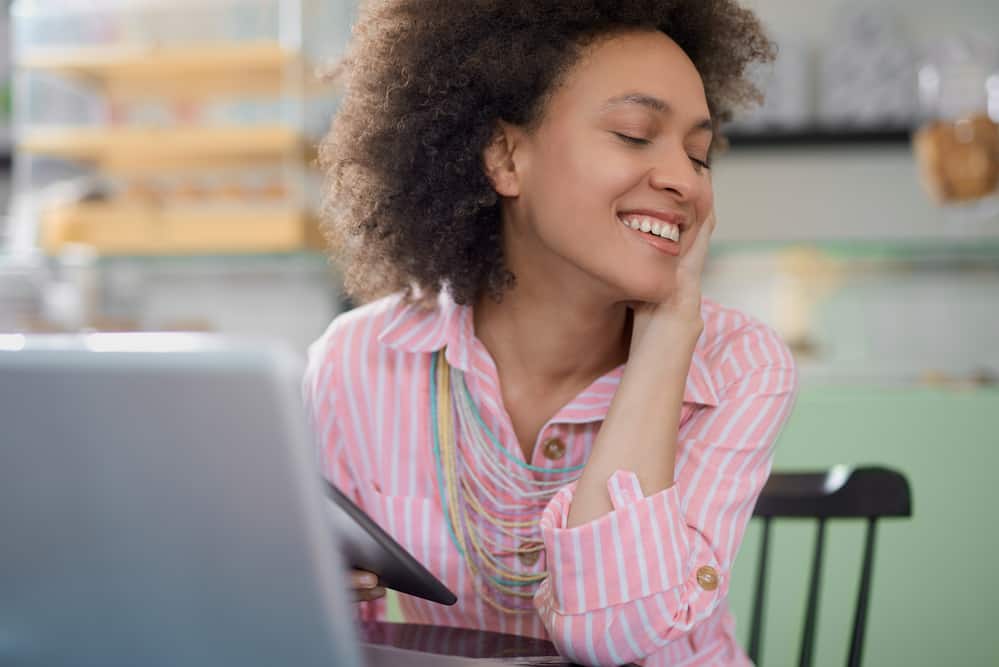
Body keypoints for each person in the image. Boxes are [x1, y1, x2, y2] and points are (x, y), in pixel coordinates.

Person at [304, 2, 797, 665]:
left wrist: (667, 331)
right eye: (632, 133)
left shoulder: (739, 368)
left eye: (698, 153)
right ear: (506, 157)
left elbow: (611, 635)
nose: (682, 178)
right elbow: (333, 639)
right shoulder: (358, 361)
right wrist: (300, 592)